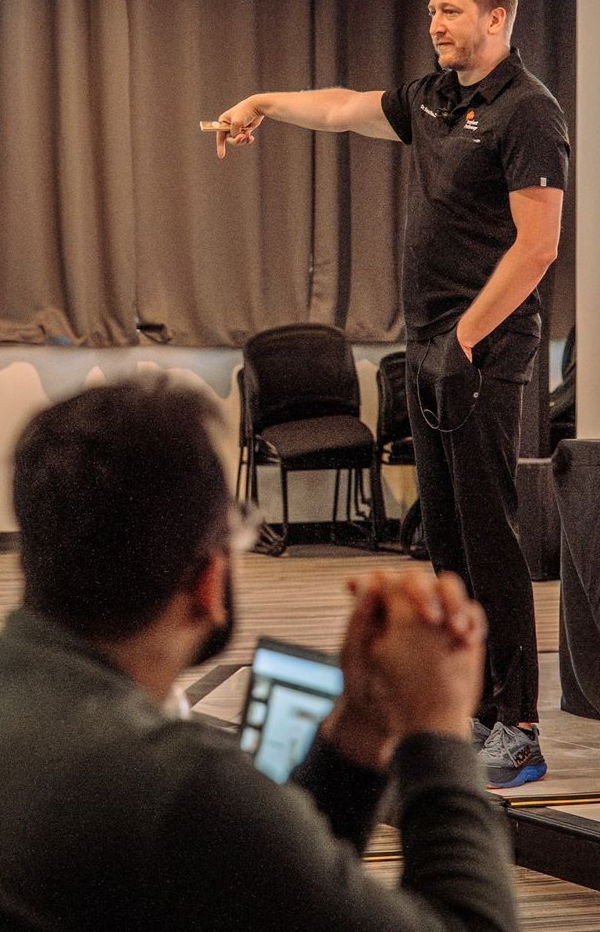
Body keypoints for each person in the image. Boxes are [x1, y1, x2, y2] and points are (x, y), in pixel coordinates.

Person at [216, 0, 570, 788]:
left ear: (497, 18)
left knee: (490, 539)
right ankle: (472, 705)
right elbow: (342, 107)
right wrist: (264, 102)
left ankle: (519, 727)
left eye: (452, 12)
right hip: (430, 345)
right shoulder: (434, 97)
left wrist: (466, 339)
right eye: (432, 12)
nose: (436, 24)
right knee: (444, 540)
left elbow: (539, 247)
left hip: (483, 350)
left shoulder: (528, 110)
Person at [0, 377, 518, 932]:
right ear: (209, 580)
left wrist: (358, 734)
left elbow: (273, 894)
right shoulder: (184, 790)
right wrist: (438, 728)